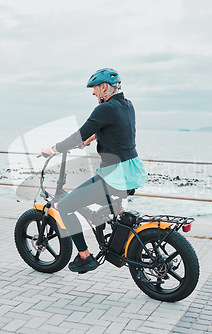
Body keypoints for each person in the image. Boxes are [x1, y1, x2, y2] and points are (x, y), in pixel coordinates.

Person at [40, 68, 148, 273]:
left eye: (94, 89)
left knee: (64, 206)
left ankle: (85, 257)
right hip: (133, 171)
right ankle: (110, 221)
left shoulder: (104, 109)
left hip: (114, 175)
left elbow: (77, 135)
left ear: (104, 87)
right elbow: (119, 130)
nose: (93, 93)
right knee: (99, 204)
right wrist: (94, 137)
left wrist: (53, 150)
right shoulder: (127, 105)